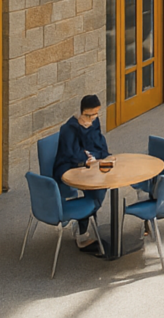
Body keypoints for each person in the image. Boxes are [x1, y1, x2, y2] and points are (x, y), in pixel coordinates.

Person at [51, 93, 110, 248]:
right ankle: (82, 232)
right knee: (94, 193)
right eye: (88, 115)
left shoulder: (94, 122)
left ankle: (82, 224)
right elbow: (70, 153)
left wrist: (94, 156)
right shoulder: (69, 128)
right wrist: (85, 160)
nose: (92, 118)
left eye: (95, 114)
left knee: (100, 188)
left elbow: (98, 143)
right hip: (69, 166)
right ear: (82, 112)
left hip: (90, 164)